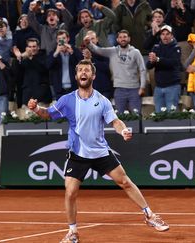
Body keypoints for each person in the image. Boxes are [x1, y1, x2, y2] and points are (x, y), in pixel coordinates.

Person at [27, 59, 169, 243]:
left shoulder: (101, 100)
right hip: (77, 154)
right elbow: (48, 114)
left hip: (100, 152)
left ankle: (149, 215)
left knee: (125, 182)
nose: (83, 73)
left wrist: (123, 130)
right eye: (80, 70)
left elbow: (115, 121)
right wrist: (36, 108)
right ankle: (73, 233)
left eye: (87, 70)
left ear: (93, 76)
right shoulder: (67, 100)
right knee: (70, 193)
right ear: (76, 76)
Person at [85, 29, 146, 113]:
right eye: (120, 37)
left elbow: (142, 69)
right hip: (119, 89)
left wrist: (142, 87)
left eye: (125, 37)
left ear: (129, 39)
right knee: (119, 117)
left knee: (136, 116)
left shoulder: (135, 52)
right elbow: (98, 50)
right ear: (117, 40)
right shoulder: (112, 51)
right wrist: (89, 43)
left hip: (134, 89)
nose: (123, 39)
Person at [146, 25, 182, 112]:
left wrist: (157, 59)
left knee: (172, 115)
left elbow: (173, 63)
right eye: (163, 34)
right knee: (159, 115)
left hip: (172, 86)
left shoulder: (176, 48)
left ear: (172, 36)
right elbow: (148, 66)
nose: (165, 36)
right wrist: (152, 60)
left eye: (167, 34)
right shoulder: (156, 48)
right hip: (158, 87)